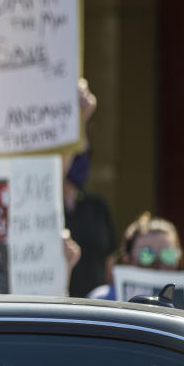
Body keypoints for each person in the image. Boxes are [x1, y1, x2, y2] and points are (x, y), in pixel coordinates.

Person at [64, 79, 118, 297]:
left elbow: (109, 265)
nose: (80, 162)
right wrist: (77, 120)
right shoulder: (45, 209)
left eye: (84, 156)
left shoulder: (97, 207)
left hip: (95, 314)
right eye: (75, 155)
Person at [87, 212, 184, 301]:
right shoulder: (102, 300)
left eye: (168, 254)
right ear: (127, 257)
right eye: (146, 254)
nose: (157, 263)